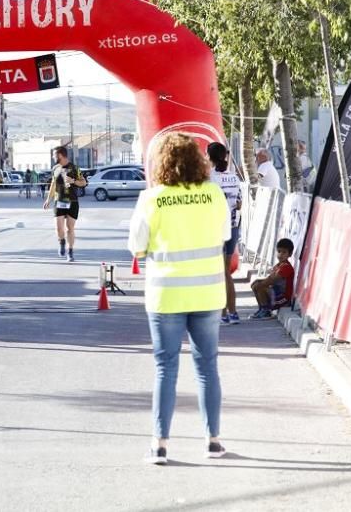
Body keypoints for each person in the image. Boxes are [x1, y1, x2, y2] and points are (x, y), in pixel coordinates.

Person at [127, 132, 231, 465]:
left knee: (165, 368)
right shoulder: (214, 194)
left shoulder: (152, 198)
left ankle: (159, 444)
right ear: (197, 161)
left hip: (166, 295)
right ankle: (213, 440)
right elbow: (225, 236)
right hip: (206, 292)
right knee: (207, 367)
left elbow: (137, 247)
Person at [207, 142, 243, 325]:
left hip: (217, 228)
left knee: (220, 272)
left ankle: (222, 314)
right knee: (227, 272)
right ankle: (233, 312)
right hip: (233, 226)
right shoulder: (234, 177)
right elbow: (239, 204)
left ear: (209, 157)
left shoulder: (210, 178)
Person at [43, 146, 86, 262]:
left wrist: (74, 181)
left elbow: (83, 182)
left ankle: (70, 251)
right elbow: (53, 184)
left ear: (61, 155)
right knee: (58, 228)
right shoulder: (55, 168)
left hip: (72, 201)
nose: (53, 157)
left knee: (70, 228)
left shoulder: (74, 168)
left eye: (54, 155)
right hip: (59, 201)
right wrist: (48, 199)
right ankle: (62, 241)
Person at [250, 238, 295, 319]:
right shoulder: (278, 266)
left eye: (284, 252)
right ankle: (262, 309)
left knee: (260, 286)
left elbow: (271, 280)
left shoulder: (286, 267)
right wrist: (257, 283)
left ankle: (266, 311)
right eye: (279, 251)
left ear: (290, 254)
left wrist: (260, 284)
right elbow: (269, 279)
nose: (281, 254)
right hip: (277, 294)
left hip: (284, 299)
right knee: (255, 284)